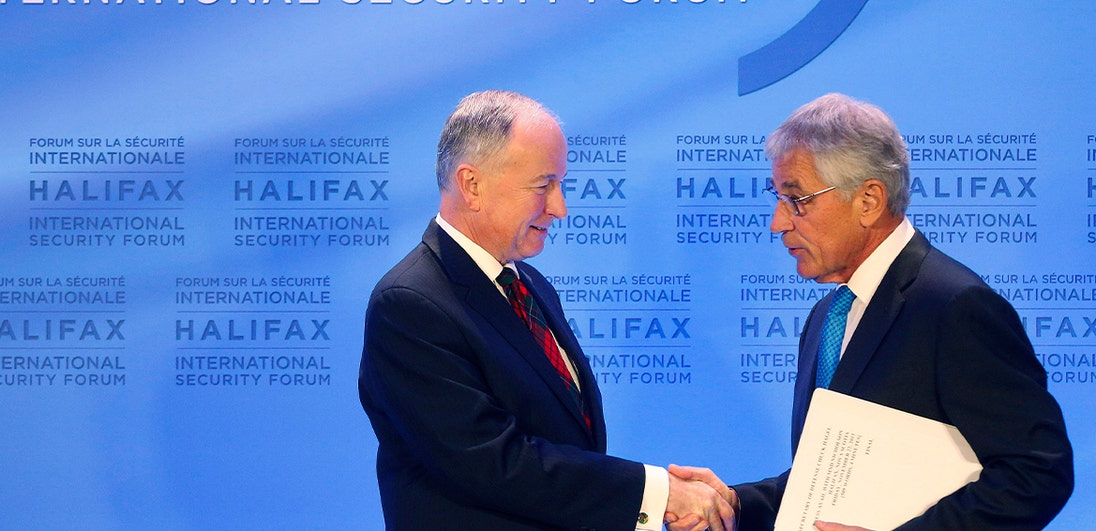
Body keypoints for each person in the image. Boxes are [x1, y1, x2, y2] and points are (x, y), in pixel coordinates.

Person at [676, 93, 1073, 530]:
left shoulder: (955, 307)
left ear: (868, 200)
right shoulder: (827, 316)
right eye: (779, 198)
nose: (778, 222)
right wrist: (733, 505)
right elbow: (827, 484)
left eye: (798, 200)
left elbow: (1036, 472)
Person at [358, 90, 735, 531]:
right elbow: (493, 464)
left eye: (560, 184)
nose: (560, 208)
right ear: (471, 185)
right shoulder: (409, 304)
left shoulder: (530, 285)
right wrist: (657, 492)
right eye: (543, 185)